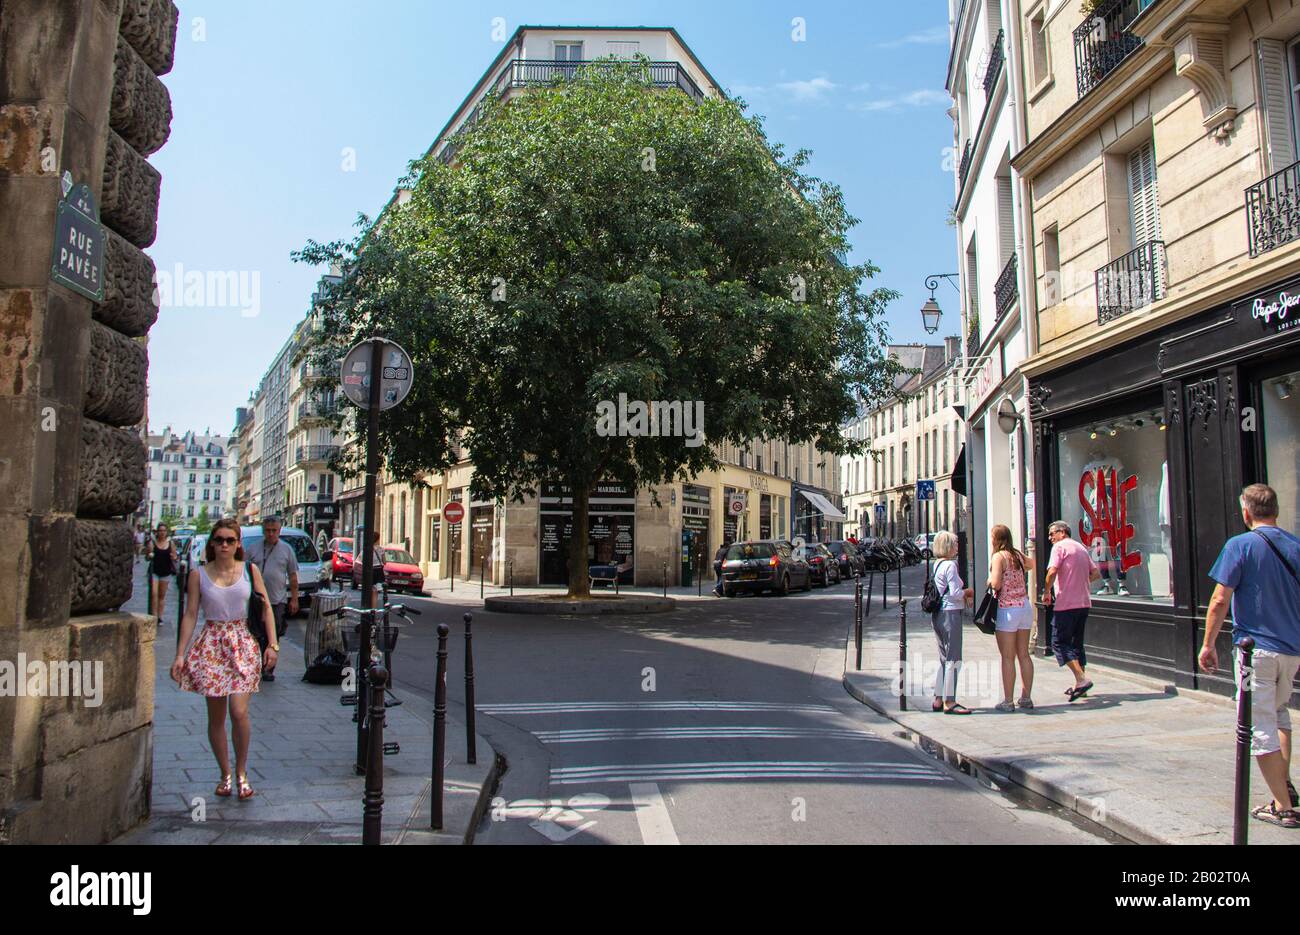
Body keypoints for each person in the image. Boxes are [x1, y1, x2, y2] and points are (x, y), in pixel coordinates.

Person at [1200, 483, 1300, 828]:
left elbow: (1219, 599)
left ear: (1246, 512)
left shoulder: (1239, 545)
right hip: (1291, 650)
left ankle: (1284, 807)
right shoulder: (1295, 545)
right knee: (1279, 715)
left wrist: (1208, 643)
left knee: (1257, 725)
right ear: (1275, 509)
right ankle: (1281, 791)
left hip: (1254, 652)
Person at [170, 518, 276, 801]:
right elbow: (191, 614)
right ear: (212, 543)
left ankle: (242, 773)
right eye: (219, 540)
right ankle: (225, 774)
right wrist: (180, 653)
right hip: (212, 644)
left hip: (242, 643)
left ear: (239, 543)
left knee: (239, 712)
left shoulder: (250, 571)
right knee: (216, 717)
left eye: (230, 540)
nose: (225, 545)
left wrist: (273, 645)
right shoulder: (198, 575)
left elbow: (266, 610)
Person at [1044, 520, 1101, 700]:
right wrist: (1080, 583)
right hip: (1083, 603)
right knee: (1077, 644)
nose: (1050, 537)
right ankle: (1081, 684)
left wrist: (1046, 592)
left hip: (1066, 603)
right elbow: (1096, 573)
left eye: (1052, 533)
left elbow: (1052, 572)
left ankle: (1081, 679)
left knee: (1059, 642)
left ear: (1062, 532)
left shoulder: (1060, 547)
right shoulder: (1081, 548)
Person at [244, 517, 298, 682]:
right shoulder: (253, 549)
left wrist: (294, 599)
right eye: (268, 530)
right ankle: (255, 664)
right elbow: (244, 572)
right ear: (263, 531)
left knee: (272, 634)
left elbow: (293, 576)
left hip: (277, 600)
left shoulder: (287, 550)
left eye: (274, 530)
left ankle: (268, 668)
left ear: (279, 531)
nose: (271, 533)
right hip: (255, 600)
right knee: (255, 633)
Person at [988, 524, 1035, 711]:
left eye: (992, 536)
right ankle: (1026, 697)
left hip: (1007, 609)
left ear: (997, 539)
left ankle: (1008, 700)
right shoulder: (1017, 555)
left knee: (1007, 657)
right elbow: (1032, 564)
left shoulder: (999, 557)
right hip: (1024, 606)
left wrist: (990, 580)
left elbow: (996, 583)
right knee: (1024, 654)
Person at [929, 531, 974, 714]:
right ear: (948, 546)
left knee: (943, 657)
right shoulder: (950, 565)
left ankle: (939, 698)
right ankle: (950, 700)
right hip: (950, 614)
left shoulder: (937, 564)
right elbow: (955, 593)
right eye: (955, 544)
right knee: (954, 657)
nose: (958, 547)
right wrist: (968, 592)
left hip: (938, 614)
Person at [147, 523, 179, 617]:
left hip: (166, 572)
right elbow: (147, 558)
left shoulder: (170, 543)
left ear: (166, 532)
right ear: (157, 532)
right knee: (154, 594)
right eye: (160, 530)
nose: (162, 533)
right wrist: (149, 555)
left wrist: (174, 557)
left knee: (161, 596)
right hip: (154, 572)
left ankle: (160, 617)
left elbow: (175, 557)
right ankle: (154, 616)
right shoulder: (152, 543)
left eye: (164, 531)